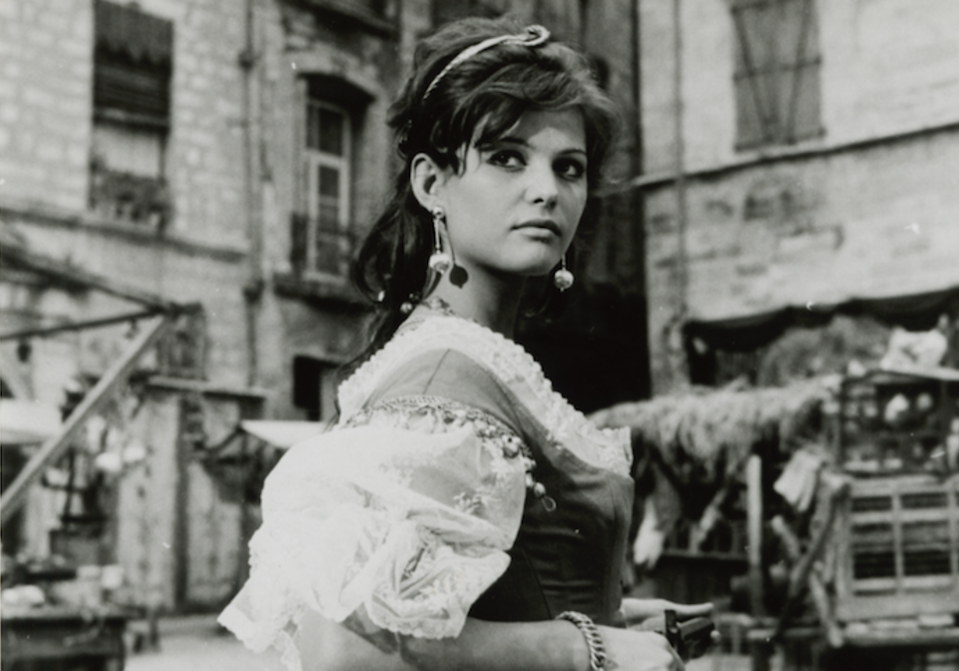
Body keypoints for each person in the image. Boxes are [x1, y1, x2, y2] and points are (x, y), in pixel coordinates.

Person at [219, 16, 711, 671]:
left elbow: (465, 610)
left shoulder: (478, 360)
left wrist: (620, 619)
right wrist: (587, 646)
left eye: (569, 168)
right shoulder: (446, 376)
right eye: (508, 157)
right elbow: (345, 650)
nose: (546, 190)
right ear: (430, 184)